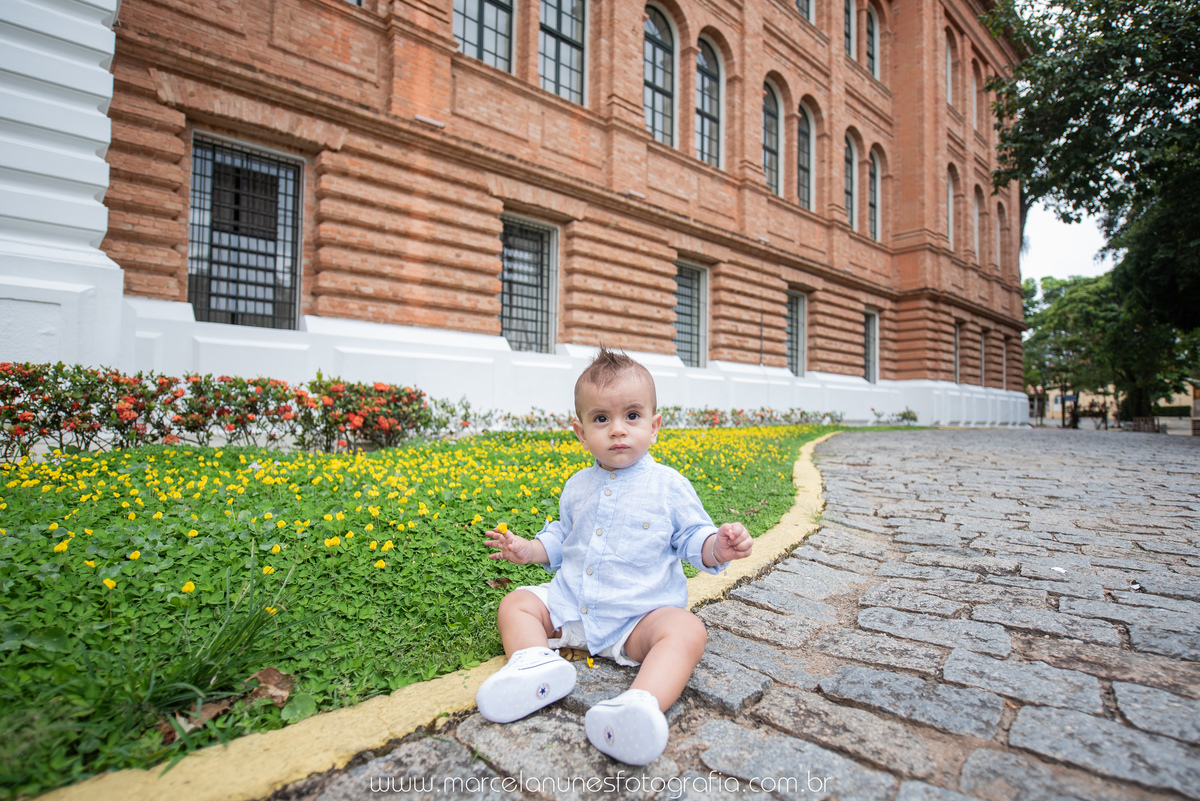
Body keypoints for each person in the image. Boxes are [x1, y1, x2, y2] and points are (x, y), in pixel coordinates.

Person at [476, 346, 753, 765]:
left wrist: (718, 546)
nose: (618, 430)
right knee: (516, 603)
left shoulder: (668, 485)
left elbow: (693, 536)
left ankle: (640, 704)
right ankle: (533, 664)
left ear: (655, 426)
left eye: (632, 416)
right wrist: (527, 549)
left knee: (686, 631)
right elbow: (562, 537)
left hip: (636, 620)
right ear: (581, 432)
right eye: (601, 419)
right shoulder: (576, 486)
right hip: (571, 608)